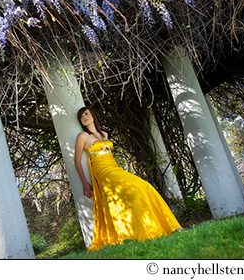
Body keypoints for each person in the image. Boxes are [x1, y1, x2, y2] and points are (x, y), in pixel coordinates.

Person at [74, 106, 181, 251]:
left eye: (86, 114)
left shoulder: (104, 134)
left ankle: (161, 227)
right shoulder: (83, 137)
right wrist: (85, 183)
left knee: (144, 187)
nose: (84, 117)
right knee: (134, 190)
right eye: (81, 117)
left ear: (93, 116)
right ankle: (138, 233)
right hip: (103, 172)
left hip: (115, 168)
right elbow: (77, 160)